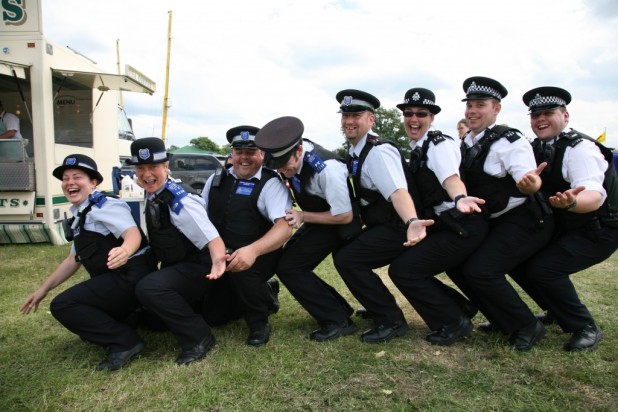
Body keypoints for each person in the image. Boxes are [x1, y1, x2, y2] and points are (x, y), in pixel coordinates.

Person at [20, 154, 156, 371]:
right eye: (65, 178)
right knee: (75, 304)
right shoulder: (81, 214)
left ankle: (125, 341)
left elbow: (132, 233)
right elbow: (73, 260)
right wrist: (42, 290)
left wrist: (125, 250)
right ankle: (126, 319)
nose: (70, 183)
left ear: (93, 183)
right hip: (115, 279)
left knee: (64, 305)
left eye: (77, 177)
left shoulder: (106, 205)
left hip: (131, 277)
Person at [508, 86, 618, 351]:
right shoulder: (538, 147)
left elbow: (594, 195)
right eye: (535, 115)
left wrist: (572, 203)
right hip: (570, 227)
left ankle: (584, 327)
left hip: (600, 228)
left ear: (565, 116)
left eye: (548, 113)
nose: (540, 119)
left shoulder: (580, 149)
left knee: (545, 269)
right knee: (518, 261)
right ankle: (555, 311)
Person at [452, 76, 555, 351]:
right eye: (470, 105)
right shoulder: (467, 142)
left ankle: (527, 326)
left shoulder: (510, 141)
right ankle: (500, 319)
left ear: (496, 109)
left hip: (526, 220)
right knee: (462, 266)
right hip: (497, 221)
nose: (472, 111)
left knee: (482, 270)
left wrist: (531, 183)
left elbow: (528, 177)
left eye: (480, 105)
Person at [387, 88, 489, 345]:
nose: (414, 119)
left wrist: (459, 197)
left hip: (463, 222)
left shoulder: (439, 145)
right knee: (407, 266)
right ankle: (459, 307)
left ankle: (453, 322)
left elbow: (451, 178)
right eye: (408, 113)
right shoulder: (418, 147)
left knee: (404, 270)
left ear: (432, 117)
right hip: (448, 224)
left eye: (422, 113)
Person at [331, 89, 434, 344]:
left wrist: (411, 222)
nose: (349, 121)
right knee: (347, 254)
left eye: (356, 115)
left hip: (399, 225)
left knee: (348, 260)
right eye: (345, 115)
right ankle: (379, 305)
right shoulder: (356, 150)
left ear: (371, 120)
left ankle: (390, 319)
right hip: (386, 224)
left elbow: (398, 192)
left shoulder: (377, 151)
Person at [255, 115, 360, 341]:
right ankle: (339, 309)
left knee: (291, 267)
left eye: (285, 165)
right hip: (317, 219)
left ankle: (338, 321)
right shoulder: (289, 156)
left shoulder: (327, 171)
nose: (282, 171)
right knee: (287, 264)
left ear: (299, 150)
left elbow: (344, 215)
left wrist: (303, 216)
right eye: (277, 167)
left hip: (338, 222)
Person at [131, 137, 228, 366]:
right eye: (141, 168)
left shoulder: (180, 201)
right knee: (152, 319)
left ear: (166, 167)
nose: (147, 174)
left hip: (202, 266)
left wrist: (217, 263)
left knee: (149, 288)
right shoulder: (154, 191)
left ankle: (199, 338)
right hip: (177, 264)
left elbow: (212, 238)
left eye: (153, 167)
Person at [202, 126, 293, 346]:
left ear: (262, 154)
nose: (244, 157)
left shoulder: (271, 183)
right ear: (232, 154)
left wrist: (252, 251)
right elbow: (201, 217)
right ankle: (265, 292)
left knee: (242, 270)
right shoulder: (214, 180)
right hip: (219, 254)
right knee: (213, 317)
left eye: (251, 151)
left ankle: (259, 321)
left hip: (257, 255)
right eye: (238, 151)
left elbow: (284, 227)